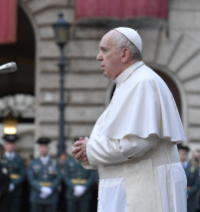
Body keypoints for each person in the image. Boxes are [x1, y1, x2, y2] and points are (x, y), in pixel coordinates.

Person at [71, 27, 187, 212]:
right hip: (131, 183)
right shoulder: (128, 83)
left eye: (104, 50)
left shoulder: (143, 82)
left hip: (146, 184)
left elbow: (136, 142)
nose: (98, 57)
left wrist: (91, 148)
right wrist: (89, 151)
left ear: (124, 54)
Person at [28, 137, 61, 212]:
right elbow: (31, 178)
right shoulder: (33, 162)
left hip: (51, 196)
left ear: (48, 148)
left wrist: (50, 188)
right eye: (42, 147)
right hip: (36, 196)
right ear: (39, 148)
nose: (43, 149)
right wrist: (41, 188)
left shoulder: (55, 162)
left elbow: (58, 177)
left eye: (45, 147)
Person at [1, 134, 26, 212]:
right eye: (8, 144)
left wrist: (13, 184)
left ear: (15, 146)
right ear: (5, 145)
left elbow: (22, 175)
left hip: (16, 190)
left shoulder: (20, 158)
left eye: (12, 144)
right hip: (2, 189)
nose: (10, 146)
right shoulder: (0, 157)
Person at [179, 145, 199, 212]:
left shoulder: (193, 167)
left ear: (187, 154)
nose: (182, 155)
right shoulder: (175, 168)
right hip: (178, 197)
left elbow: (197, 184)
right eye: (180, 153)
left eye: (183, 153)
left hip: (191, 198)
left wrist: (187, 194)